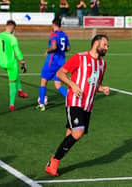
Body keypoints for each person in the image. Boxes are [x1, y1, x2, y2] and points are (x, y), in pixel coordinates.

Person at [45, 34, 110, 177]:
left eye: (107, 46)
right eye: (105, 45)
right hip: (74, 101)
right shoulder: (79, 57)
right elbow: (60, 73)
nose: (107, 48)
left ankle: (52, 164)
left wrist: (102, 88)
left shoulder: (102, 64)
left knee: (70, 135)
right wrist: (73, 85)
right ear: (96, 44)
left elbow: (93, 83)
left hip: (88, 105)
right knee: (78, 132)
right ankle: (53, 162)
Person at [0, 20, 28, 112]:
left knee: (15, 74)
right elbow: (17, 52)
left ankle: (20, 91)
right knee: (12, 82)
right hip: (11, 64)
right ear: (13, 29)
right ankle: (12, 104)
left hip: (1, 63)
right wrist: (23, 62)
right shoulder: (12, 38)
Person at [35, 17, 71, 112]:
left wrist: (48, 50)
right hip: (61, 63)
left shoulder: (54, 34)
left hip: (52, 62)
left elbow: (54, 47)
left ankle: (42, 104)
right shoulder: (64, 35)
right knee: (58, 85)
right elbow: (68, 48)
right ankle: (71, 99)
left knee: (43, 82)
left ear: (54, 24)